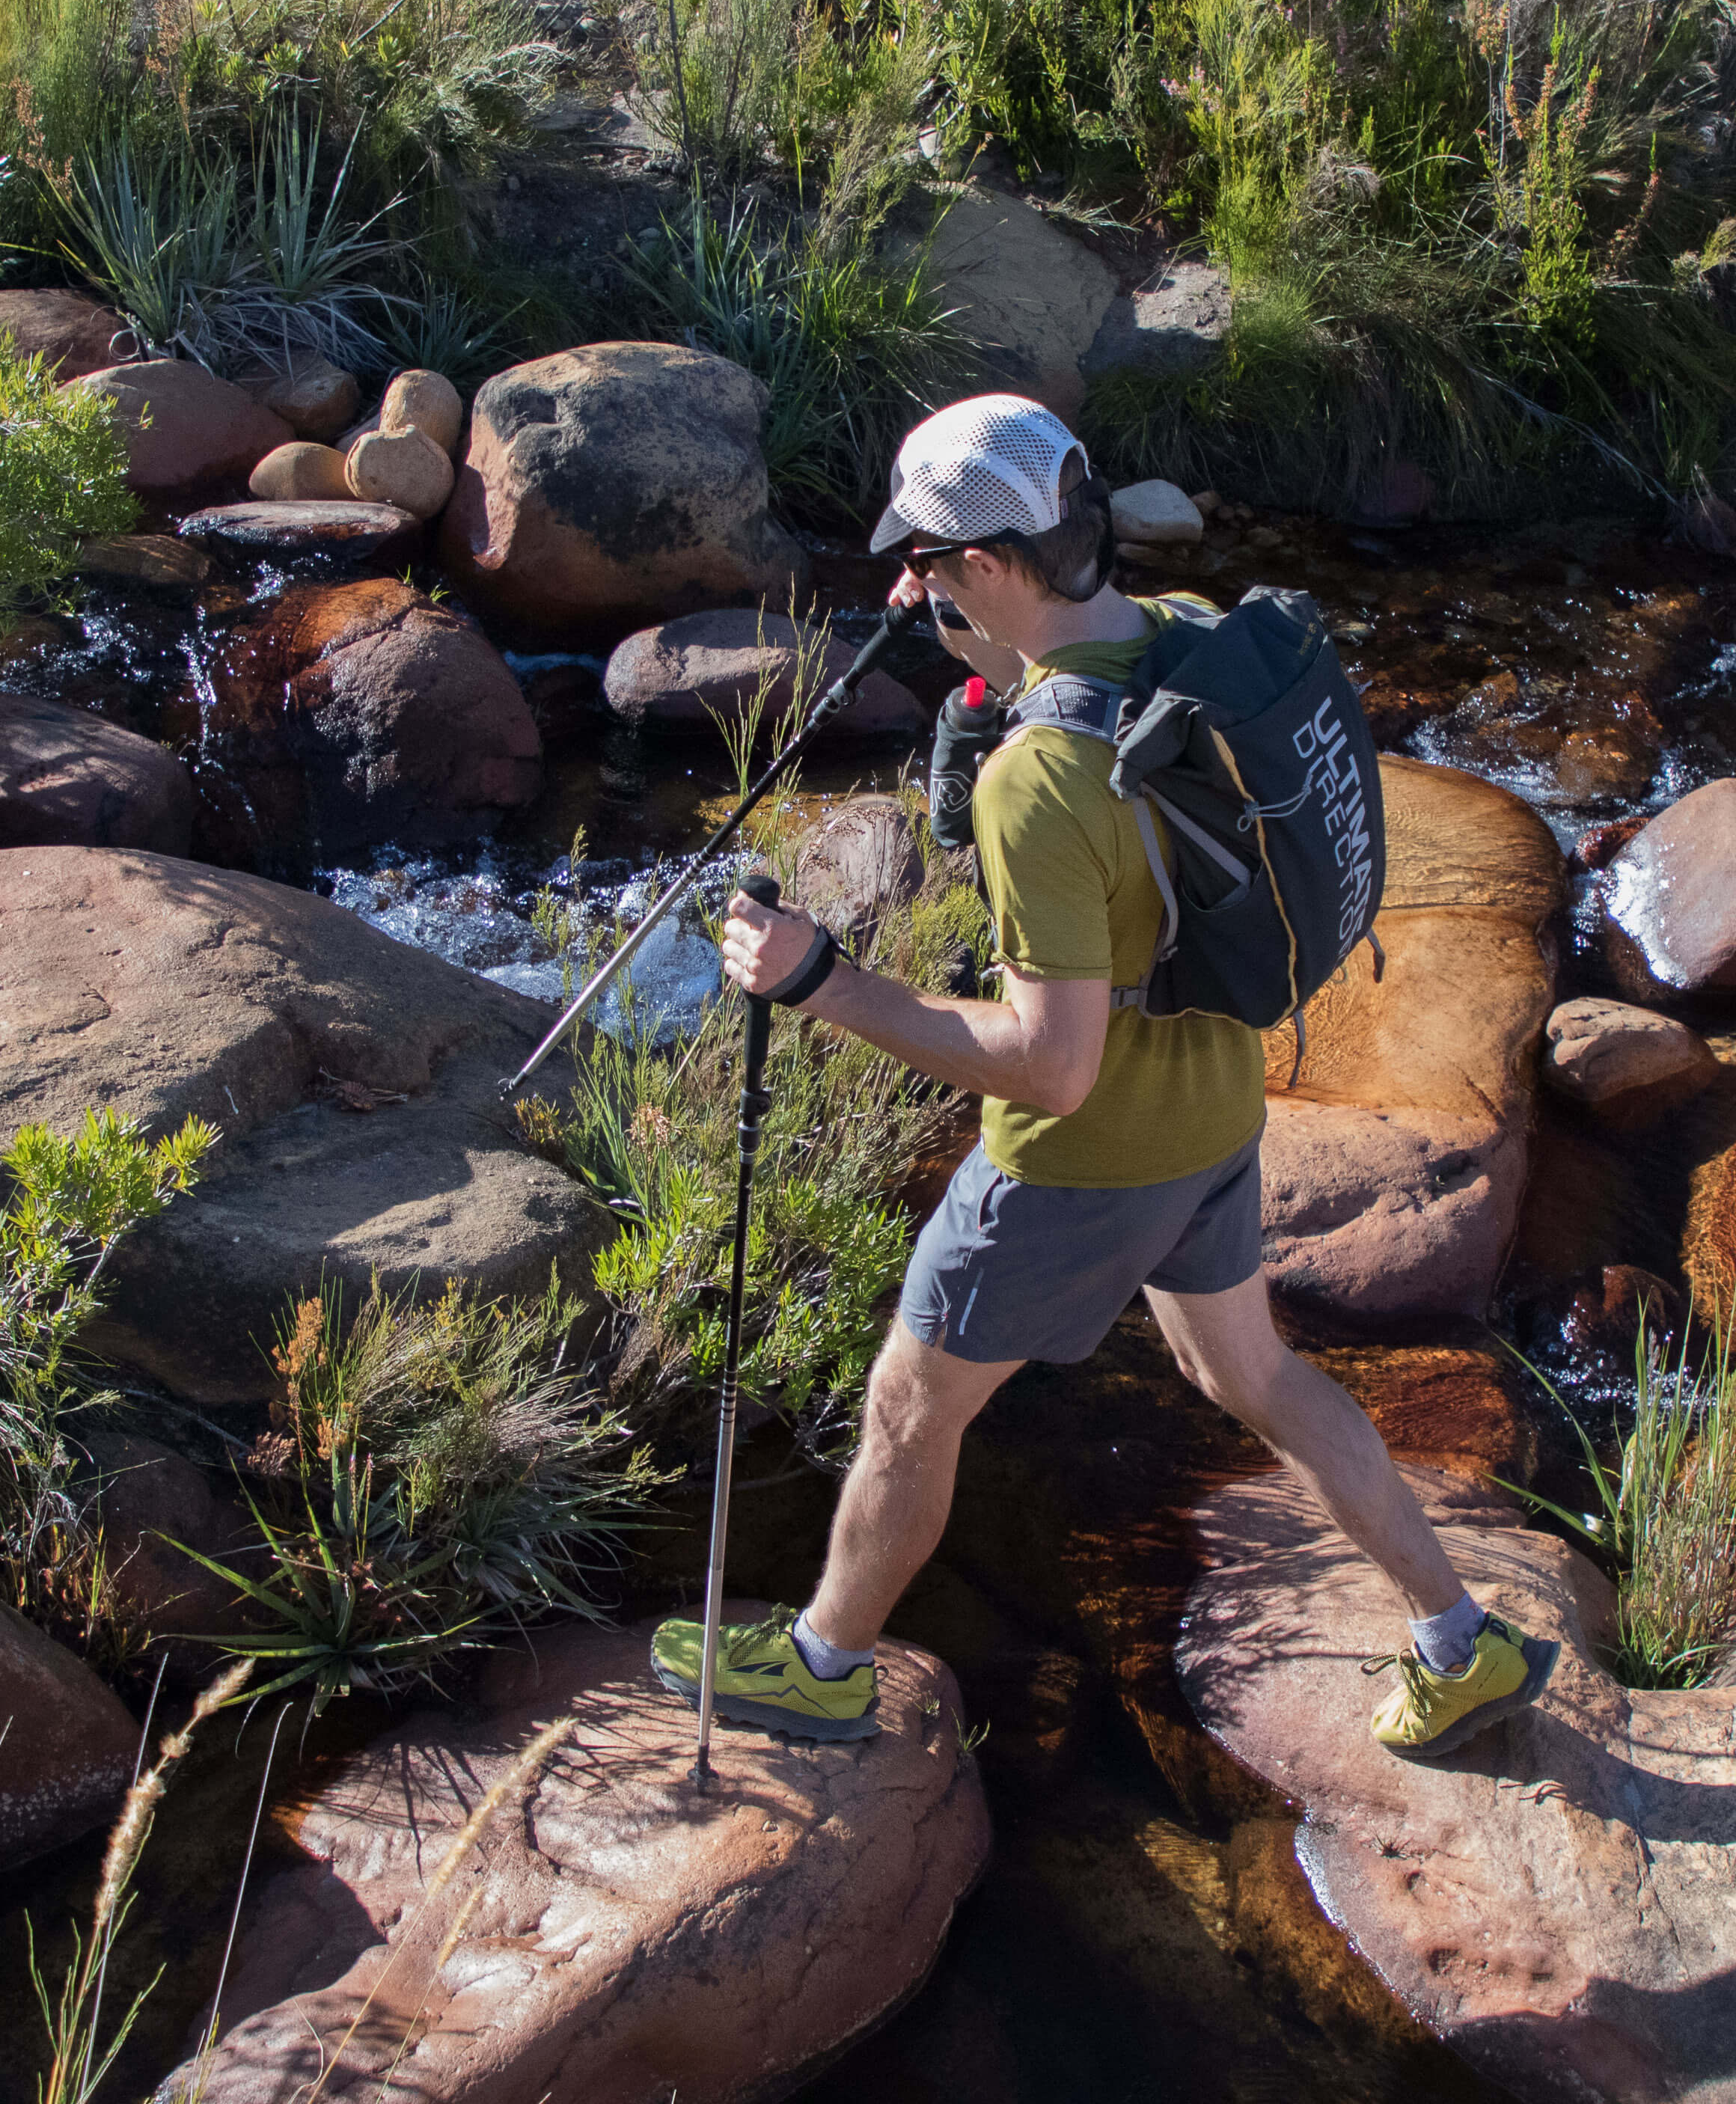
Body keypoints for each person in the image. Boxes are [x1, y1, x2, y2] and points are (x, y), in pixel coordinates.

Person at [650, 394, 1557, 1759]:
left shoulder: (1040, 784)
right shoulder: (1177, 632)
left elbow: (1052, 1067)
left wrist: (817, 979)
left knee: (908, 1406)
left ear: (994, 567)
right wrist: (998, 700)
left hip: (1076, 1165)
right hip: (1216, 1115)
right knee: (1254, 1373)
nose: (907, 585)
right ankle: (1458, 1637)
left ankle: (827, 1663)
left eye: (927, 562)